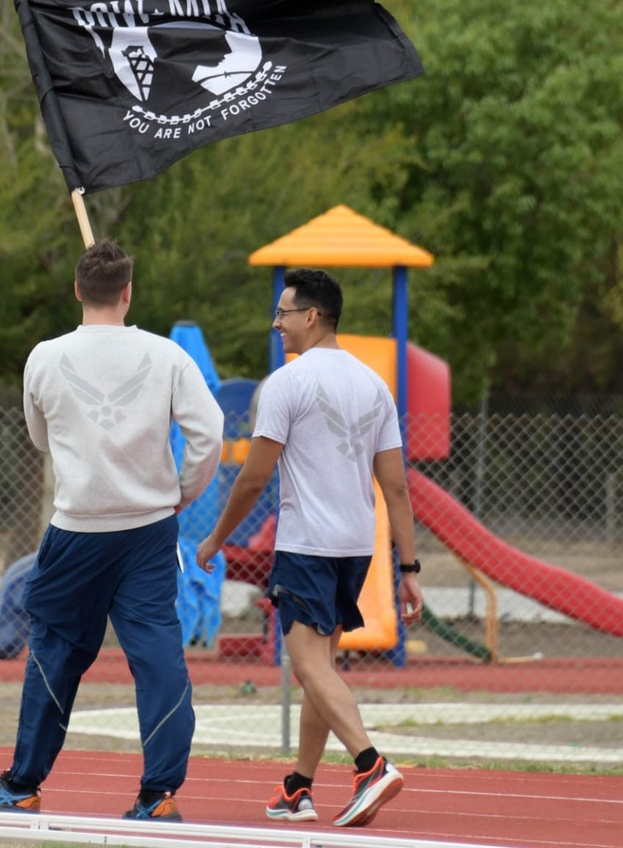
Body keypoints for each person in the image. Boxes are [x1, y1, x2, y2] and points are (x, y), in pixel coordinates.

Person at [0, 239, 224, 822]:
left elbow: (40, 437)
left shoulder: (44, 357)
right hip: (149, 530)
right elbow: (208, 432)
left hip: (77, 529)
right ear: (128, 293)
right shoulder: (166, 357)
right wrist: (180, 494)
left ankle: (23, 786)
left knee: (55, 652)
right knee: (158, 656)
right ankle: (159, 795)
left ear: (78, 290)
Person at [196, 266, 422, 831]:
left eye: (284, 313)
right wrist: (410, 566)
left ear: (312, 316)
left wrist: (217, 538)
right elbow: (395, 486)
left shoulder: (288, 384)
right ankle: (298, 787)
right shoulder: (376, 385)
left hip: (306, 546)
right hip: (355, 548)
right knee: (320, 668)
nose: (277, 323)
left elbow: (251, 479)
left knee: (308, 665)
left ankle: (370, 765)